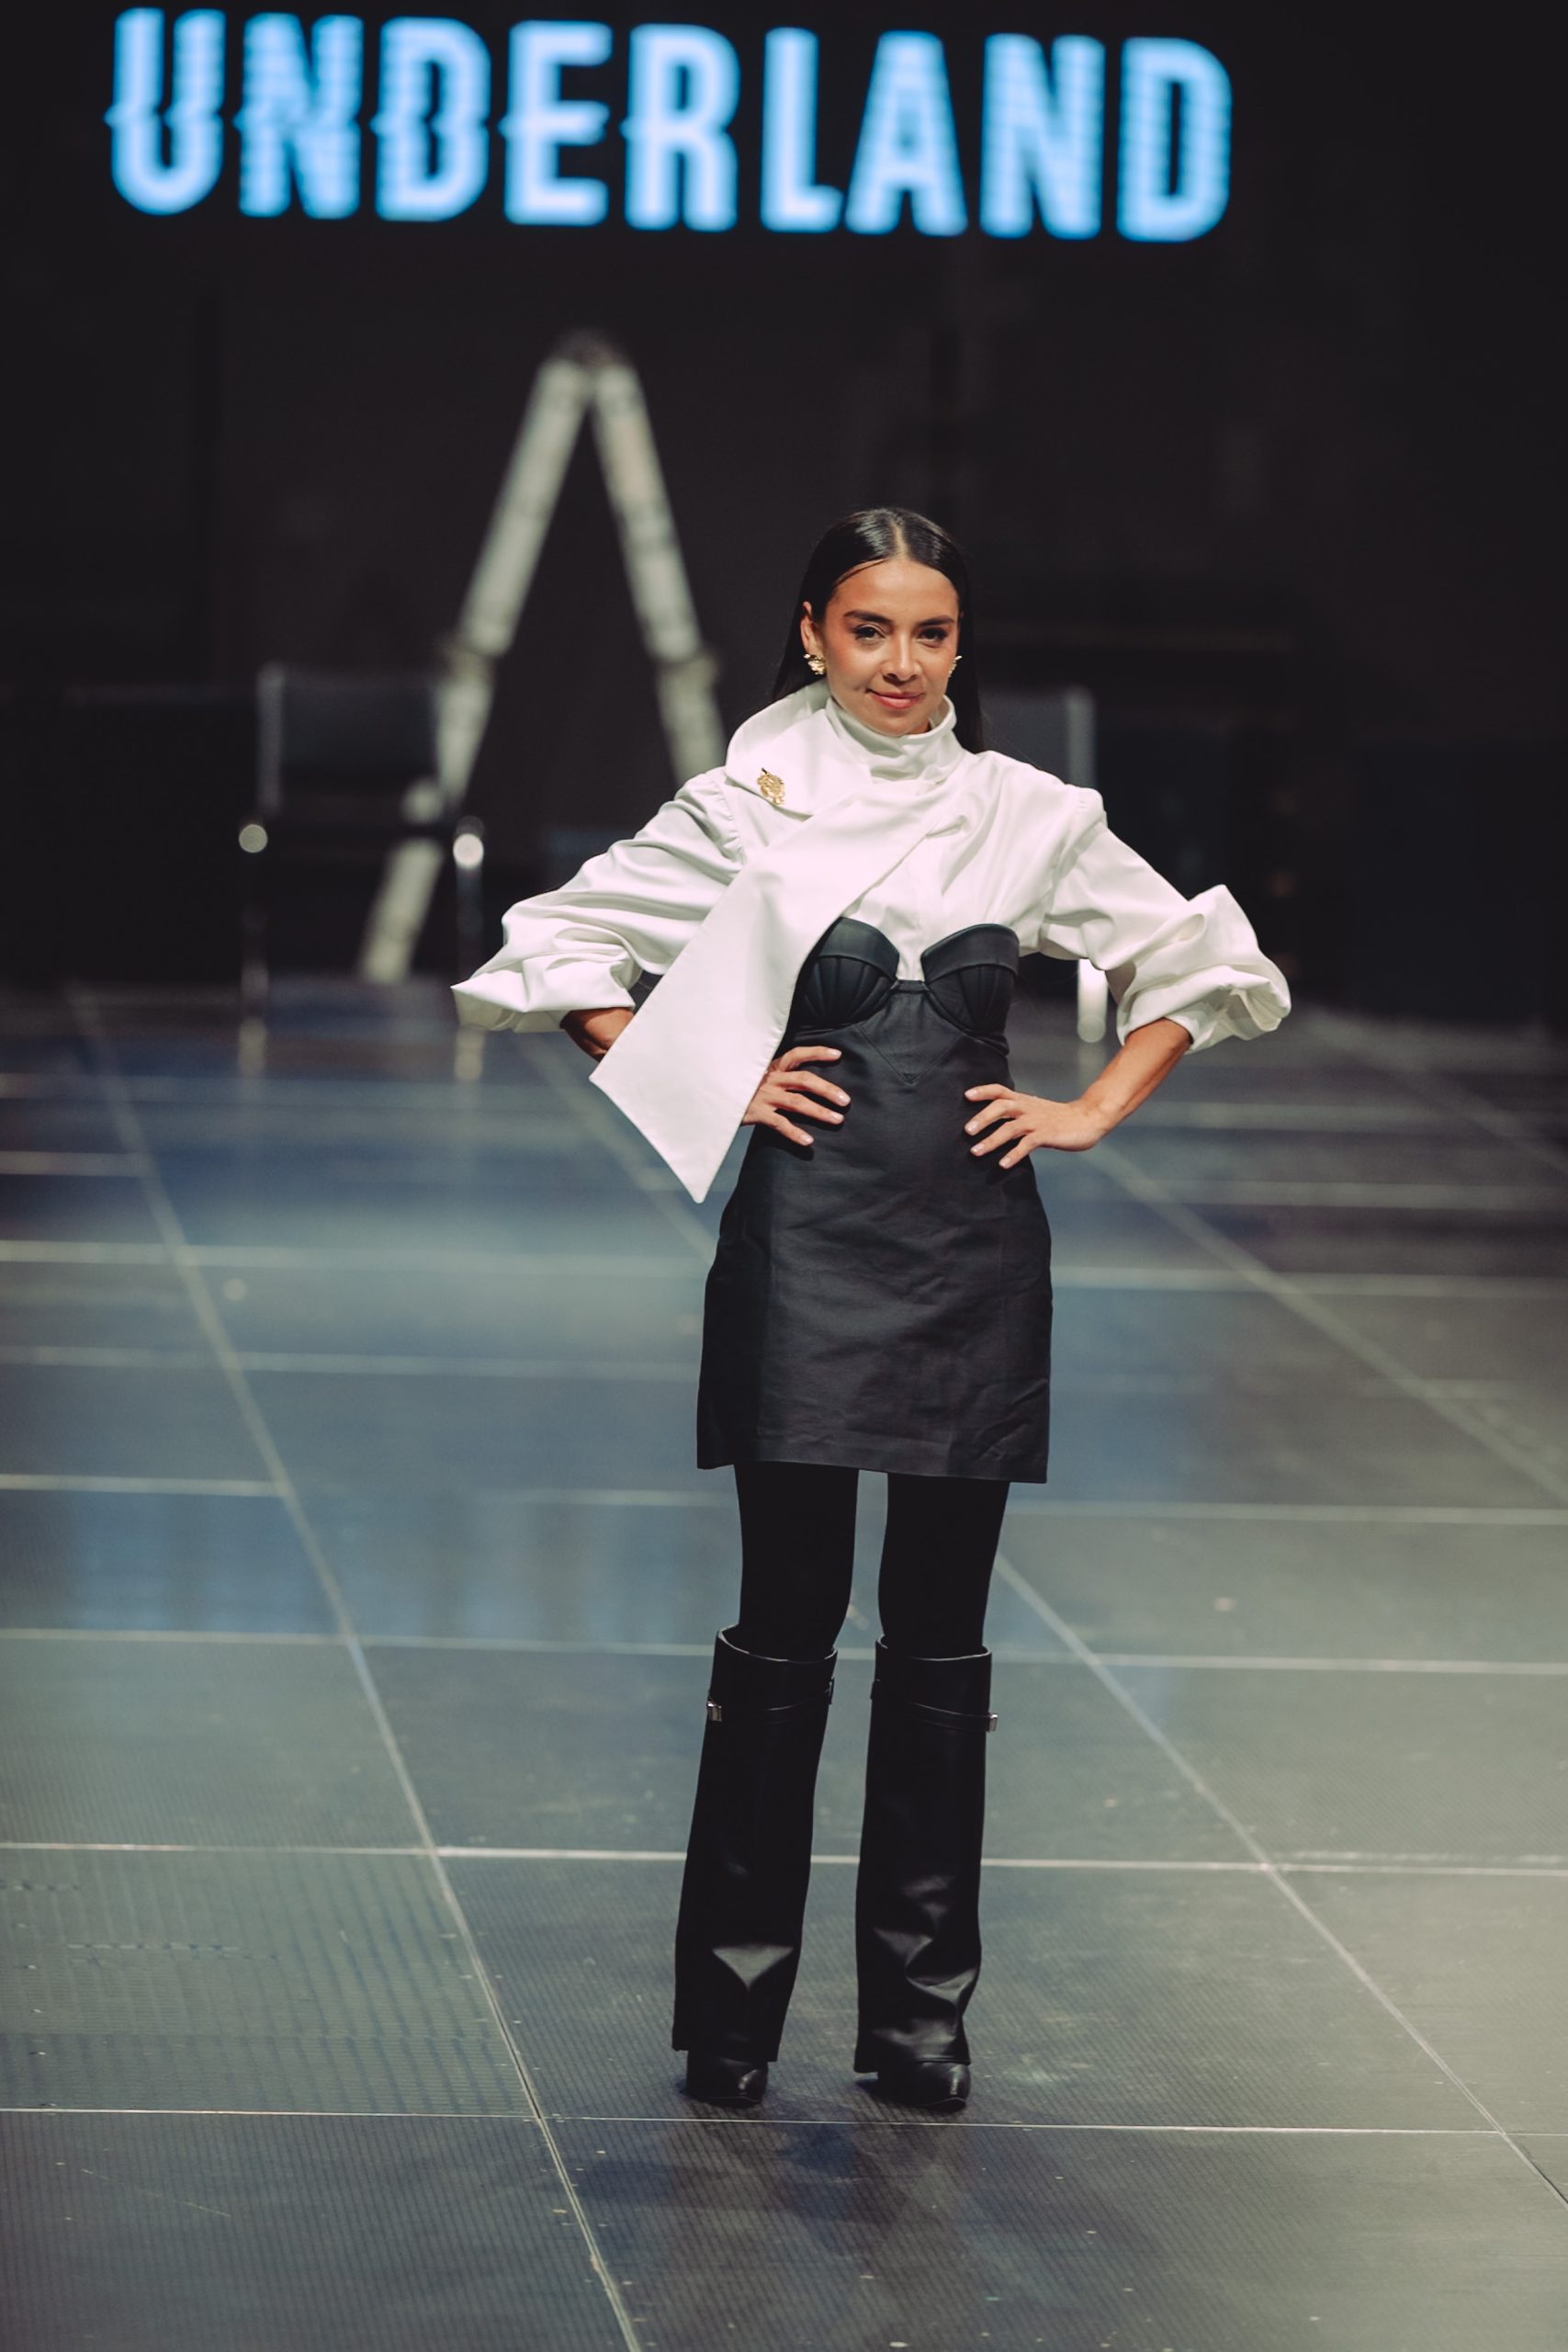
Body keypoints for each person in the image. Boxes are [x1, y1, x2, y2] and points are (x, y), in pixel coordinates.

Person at [453, 507, 1292, 2114]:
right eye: (868, 630)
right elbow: (554, 943)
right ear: (812, 634)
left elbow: (1200, 959)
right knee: (783, 1628)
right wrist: (703, 1071)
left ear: (959, 643)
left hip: (974, 1254)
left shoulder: (1027, 813)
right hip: (804, 1245)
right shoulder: (741, 806)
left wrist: (1091, 1107)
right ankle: (731, 2020)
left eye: (931, 633)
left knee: (942, 1640)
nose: (901, 663)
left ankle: (919, 2022)